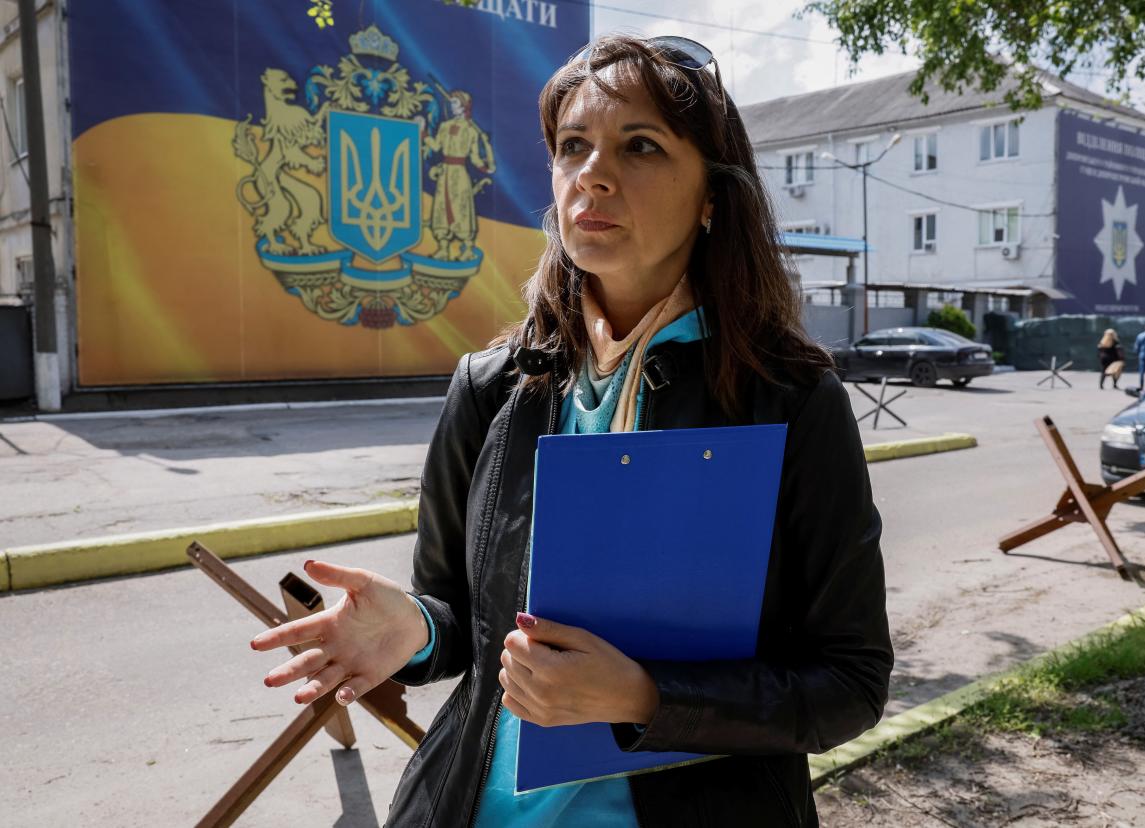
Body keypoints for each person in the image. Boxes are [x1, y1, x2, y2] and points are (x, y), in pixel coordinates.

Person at [250, 35, 891, 828]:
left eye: (641, 146)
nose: (592, 172)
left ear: (712, 197)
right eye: (572, 147)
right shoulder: (491, 389)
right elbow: (460, 625)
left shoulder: (790, 402)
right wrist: (414, 627)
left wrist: (647, 698)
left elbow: (850, 683)